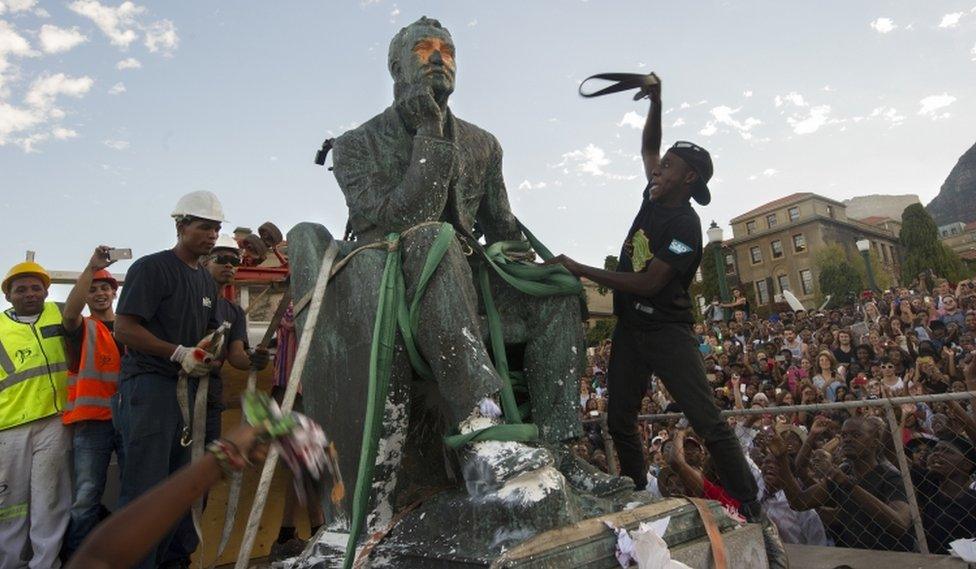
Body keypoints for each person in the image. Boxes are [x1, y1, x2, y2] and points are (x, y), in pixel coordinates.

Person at [545, 74, 787, 566]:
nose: (657, 171)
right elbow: (650, 147)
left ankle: (750, 504)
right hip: (633, 330)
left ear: (689, 179)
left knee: (708, 422)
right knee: (620, 420)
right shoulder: (654, 194)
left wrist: (583, 270)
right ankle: (635, 495)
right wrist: (657, 100)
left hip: (667, 330)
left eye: (669, 168)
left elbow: (651, 283)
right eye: (660, 167)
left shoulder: (685, 226)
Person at [112, 191, 226, 568]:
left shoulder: (207, 284)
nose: (211, 235)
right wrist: (178, 353)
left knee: (179, 491)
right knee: (146, 490)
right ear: (180, 226)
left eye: (216, 229)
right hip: (150, 387)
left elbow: (206, 336)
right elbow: (125, 329)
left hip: (187, 394)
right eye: (204, 227)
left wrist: (209, 350)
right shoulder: (152, 269)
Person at [0, 261, 72, 569]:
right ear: (9, 296)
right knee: (10, 506)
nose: (29, 293)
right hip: (9, 427)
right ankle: (10, 563)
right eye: (21, 289)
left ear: (45, 290)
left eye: (35, 287)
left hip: (55, 421)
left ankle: (45, 564)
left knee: (50, 499)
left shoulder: (62, 313)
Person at [60, 247, 125, 558]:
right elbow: (69, 315)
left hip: (129, 420)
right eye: (94, 289)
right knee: (86, 497)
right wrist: (92, 268)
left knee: (133, 490)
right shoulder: (82, 327)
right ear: (86, 295)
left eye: (105, 288)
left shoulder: (130, 327)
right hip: (93, 423)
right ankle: (76, 559)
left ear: (114, 293)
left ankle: (124, 554)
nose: (100, 294)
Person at [771, 416, 915, 552]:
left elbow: (899, 525)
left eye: (856, 435)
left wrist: (850, 486)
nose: (847, 440)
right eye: (844, 436)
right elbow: (799, 502)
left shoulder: (890, 477)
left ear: (875, 441)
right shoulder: (843, 473)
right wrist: (781, 458)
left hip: (892, 558)